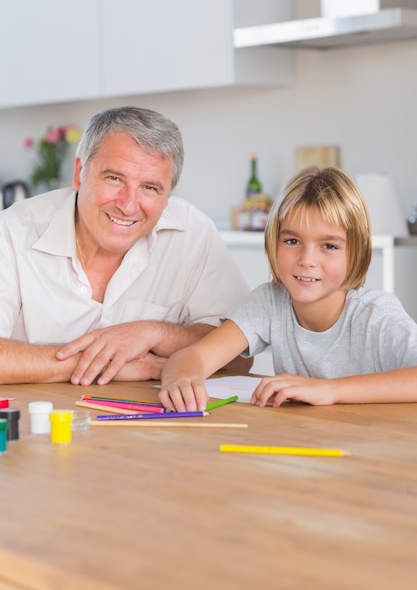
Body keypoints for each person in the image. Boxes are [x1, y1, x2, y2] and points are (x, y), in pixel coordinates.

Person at [0, 106, 251, 384]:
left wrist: (155, 334)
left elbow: (241, 358)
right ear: (79, 173)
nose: (128, 205)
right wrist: (99, 363)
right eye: (114, 178)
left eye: (150, 188)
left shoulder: (192, 232)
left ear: (168, 195)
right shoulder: (12, 231)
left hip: (152, 422)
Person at [159, 165, 417, 412]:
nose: (307, 260)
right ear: (274, 242)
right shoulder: (270, 302)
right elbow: (193, 357)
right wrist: (181, 379)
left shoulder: (376, 315)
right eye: (292, 241)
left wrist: (329, 390)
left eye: (329, 246)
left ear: (356, 253)